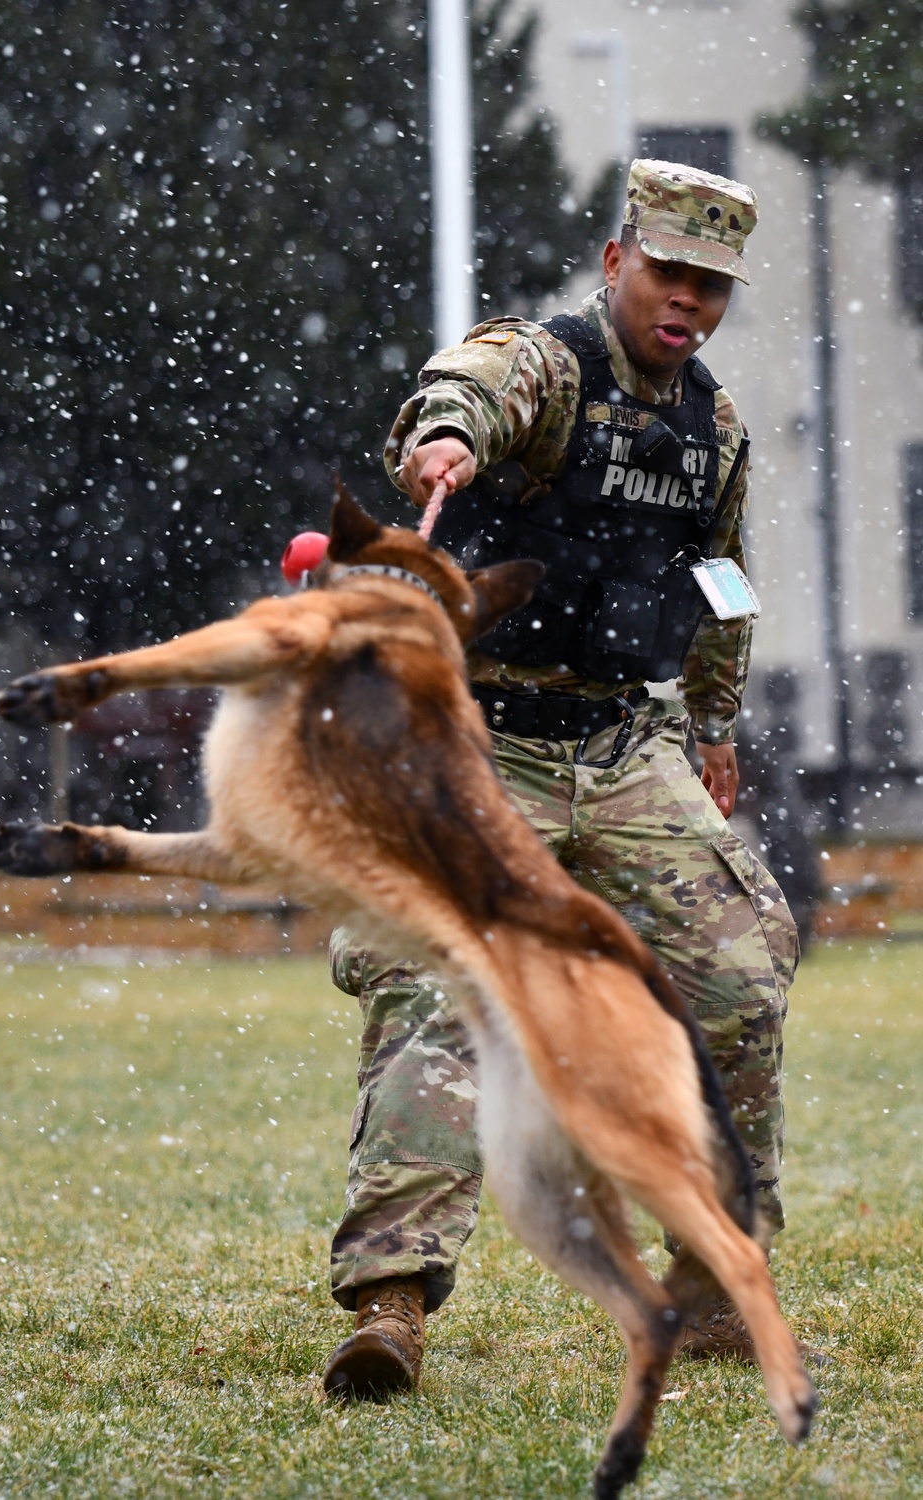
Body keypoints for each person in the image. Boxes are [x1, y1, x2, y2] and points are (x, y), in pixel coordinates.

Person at [322, 159, 799, 1399]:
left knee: (742, 976)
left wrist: (713, 722)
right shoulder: (546, 365)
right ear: (615, 262)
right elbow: (468, 386)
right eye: (667, 273)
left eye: (710, 285)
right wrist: (442, 439)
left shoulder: (716, 428)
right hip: (480, 746)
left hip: (626, 746)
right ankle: (390, 1304)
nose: (686, 301)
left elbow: (721, 582)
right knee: (446, 995)